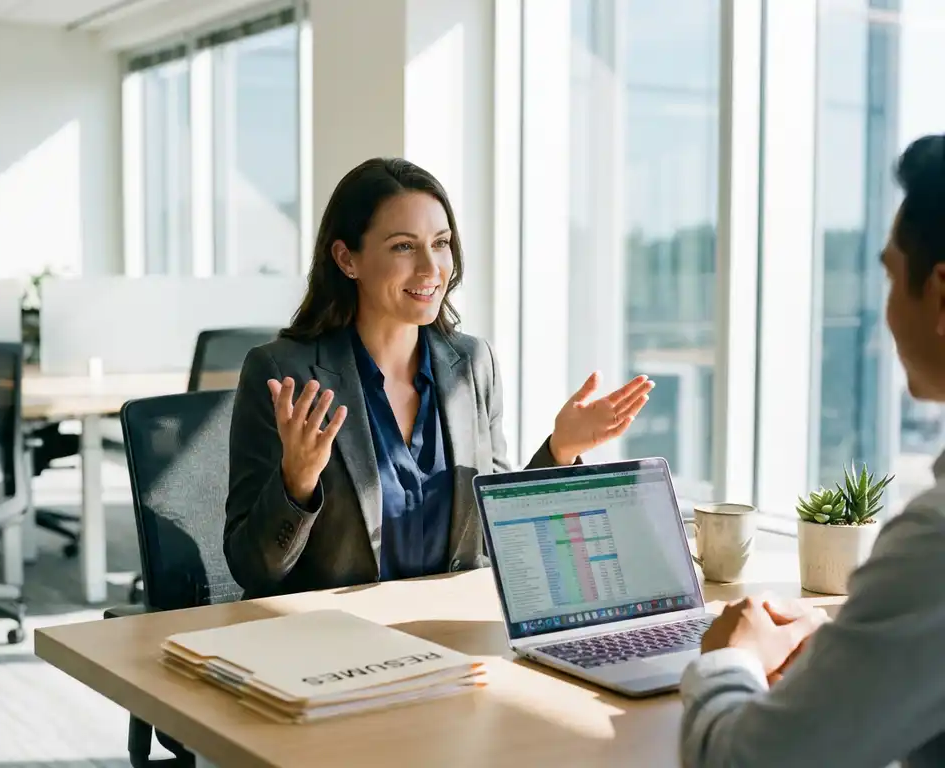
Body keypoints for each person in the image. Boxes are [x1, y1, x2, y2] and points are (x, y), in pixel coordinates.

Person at [225, 157, 653, 599]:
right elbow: (253, 570)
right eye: (404, 247)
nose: (432, 269)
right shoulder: (283, 374)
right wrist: (296, 483)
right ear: (347, 259)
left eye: (441, 242)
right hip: (334, 645)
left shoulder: (472, 365)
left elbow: (496, 538)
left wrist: (560, 452)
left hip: (448, 633)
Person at [679, 133, 945, 768]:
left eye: (888, 276)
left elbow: (741, 762)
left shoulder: (934, 544)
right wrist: (856, 649)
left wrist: (727, 659)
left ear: (941, 295)